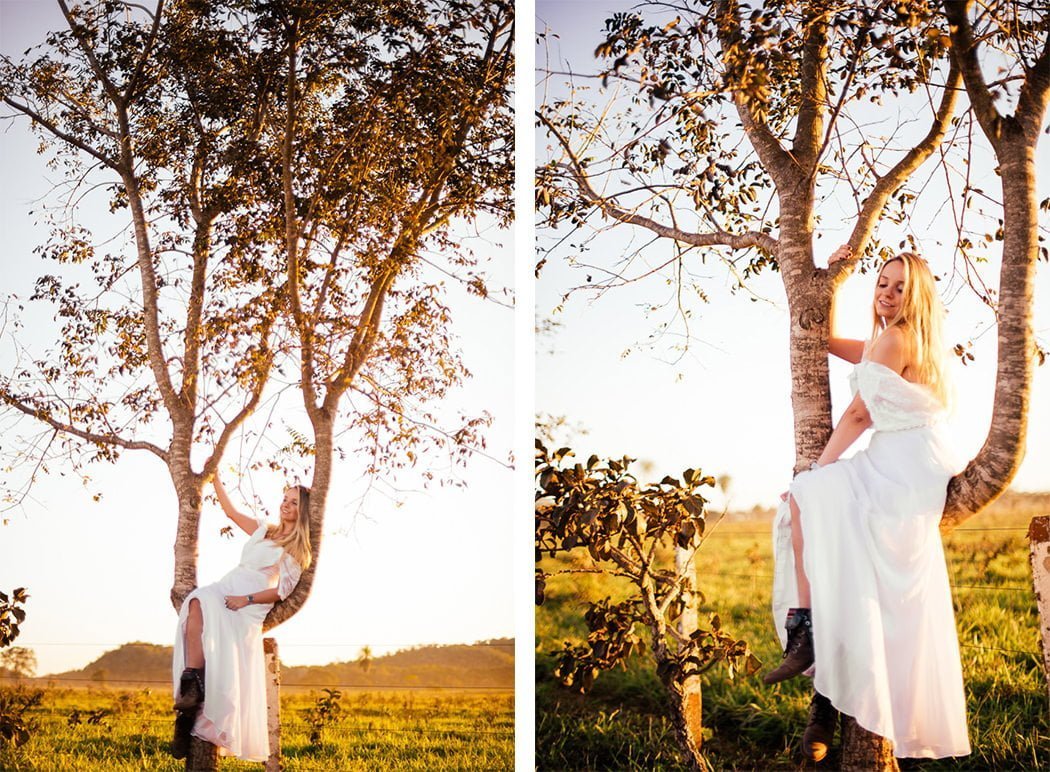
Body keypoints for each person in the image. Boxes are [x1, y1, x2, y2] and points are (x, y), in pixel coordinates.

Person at [765, 247, 970, 762]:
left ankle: (804, 630)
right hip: (915, 461)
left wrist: (817, 470)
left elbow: (857, 414)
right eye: (881, 283)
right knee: (837, 542)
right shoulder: (901, 341)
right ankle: (814, 657)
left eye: (899, 287)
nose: (887, 293)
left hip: (899, 466)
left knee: (804, 503)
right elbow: (830, 342)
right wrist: (832, 282)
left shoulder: (896, 339)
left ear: (916, 296)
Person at [171, 476, 311, 761]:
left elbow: (281, 591)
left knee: (219, 647)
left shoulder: (296, 547)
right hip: (227, 585)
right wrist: (215, 478)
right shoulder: (264, 530)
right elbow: (231, 513)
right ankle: (191, 686)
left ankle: (196, 715)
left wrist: (245, 600)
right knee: (194, 603)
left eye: (294, 502)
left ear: (303, 511)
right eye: (285, 499)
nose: (285, 505)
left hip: (247, 602)